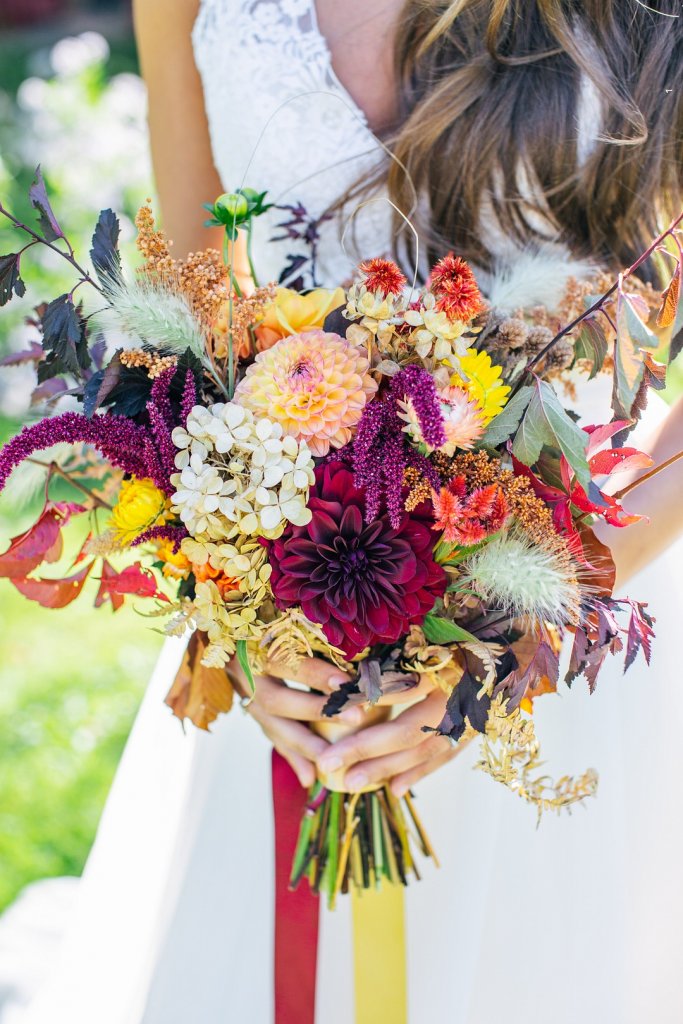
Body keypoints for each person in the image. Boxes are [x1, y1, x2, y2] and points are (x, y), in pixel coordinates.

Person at [3, 2, 683, 1022]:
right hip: (291, 671)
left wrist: (512, 626)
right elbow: (190, 322)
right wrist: (242, 613)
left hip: (581, 631)